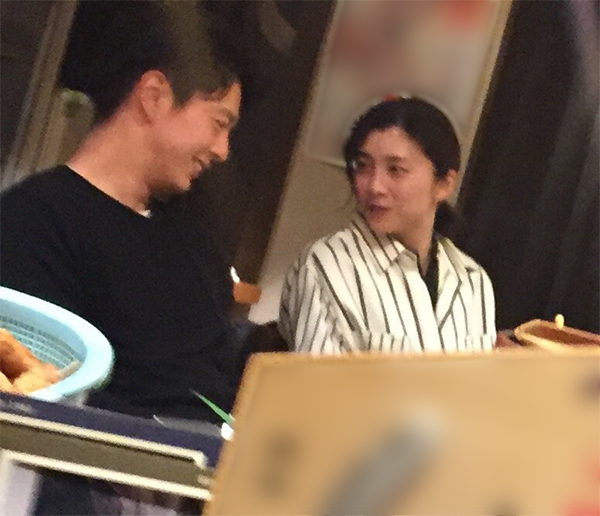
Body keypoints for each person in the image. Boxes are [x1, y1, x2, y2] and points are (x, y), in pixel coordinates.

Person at [1, 1, 247, 424]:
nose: (222, 151)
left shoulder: (195, 242)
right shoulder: (32, 222)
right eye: (218, 123)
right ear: (154, 96)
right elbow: (40, 395)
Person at [279, 97, 497, 354]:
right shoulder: (327, 264)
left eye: (395, 169)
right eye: (363, 166)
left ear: (444, 184)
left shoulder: (473, 280)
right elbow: (317, 378)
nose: (374, 186)